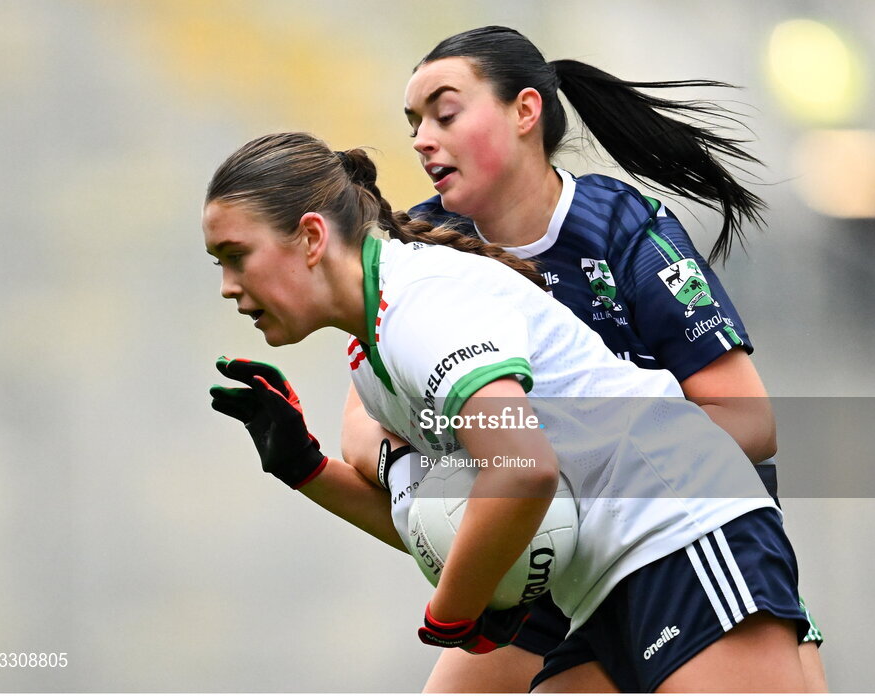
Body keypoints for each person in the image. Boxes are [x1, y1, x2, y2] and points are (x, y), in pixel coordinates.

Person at [204, 131, 813, 692]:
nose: (229, 286)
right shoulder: (373, 358)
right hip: (601, 581)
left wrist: (454, 613)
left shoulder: (422, 309)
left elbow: (523, 469)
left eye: (237, 256)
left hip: (683, 528)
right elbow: (446, 523)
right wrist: (306, 467)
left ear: (311, 237)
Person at [337, 25, 827, 692]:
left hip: (676, 541)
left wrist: (564, 467)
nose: (423, 137)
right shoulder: (421, 254)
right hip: (545, 564)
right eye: (414, 122)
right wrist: (426, 473)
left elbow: (748, 421)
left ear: (525, 111)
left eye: (444, 113)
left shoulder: (625, 229)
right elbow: (365, 428)